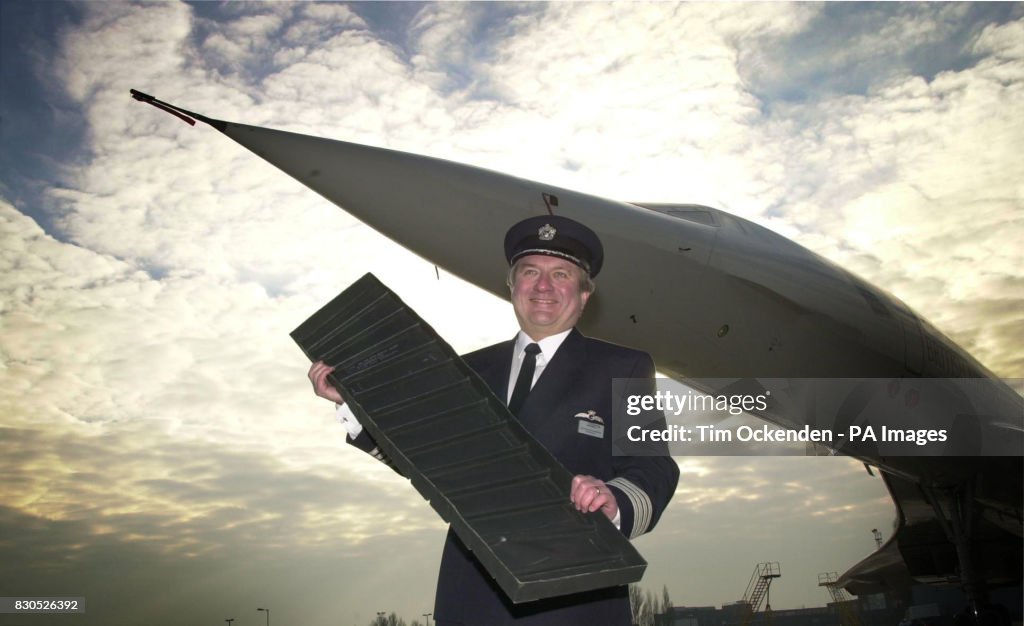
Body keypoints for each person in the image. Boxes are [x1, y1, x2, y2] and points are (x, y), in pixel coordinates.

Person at [308, 215, 679, 625]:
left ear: (585, 293)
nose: (543, 286)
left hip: (574, 596)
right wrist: (354, 404)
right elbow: (424, 458)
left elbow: (653, 465)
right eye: (530, 272)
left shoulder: (624, 368)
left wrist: (614, 501)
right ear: (511, 285)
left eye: (561, 274)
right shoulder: (466, 370)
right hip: (472, 596)